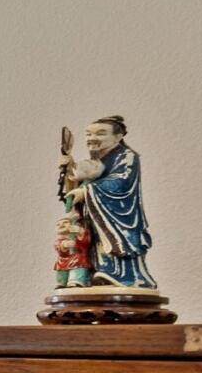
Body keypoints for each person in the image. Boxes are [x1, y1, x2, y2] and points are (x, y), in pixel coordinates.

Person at [64, 115, 156, 288]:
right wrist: (69, 170)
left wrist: (86, 191)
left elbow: (121, 181)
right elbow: (78, 181)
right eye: (88, 134)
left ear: (118, 137)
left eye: (100, 133)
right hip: (96, 212)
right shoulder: (96, 160)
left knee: (118, 243)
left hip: (118, 211)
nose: (92, 138)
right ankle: (96, 273)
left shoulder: (127, 156)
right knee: (94, 243)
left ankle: (125, 277)